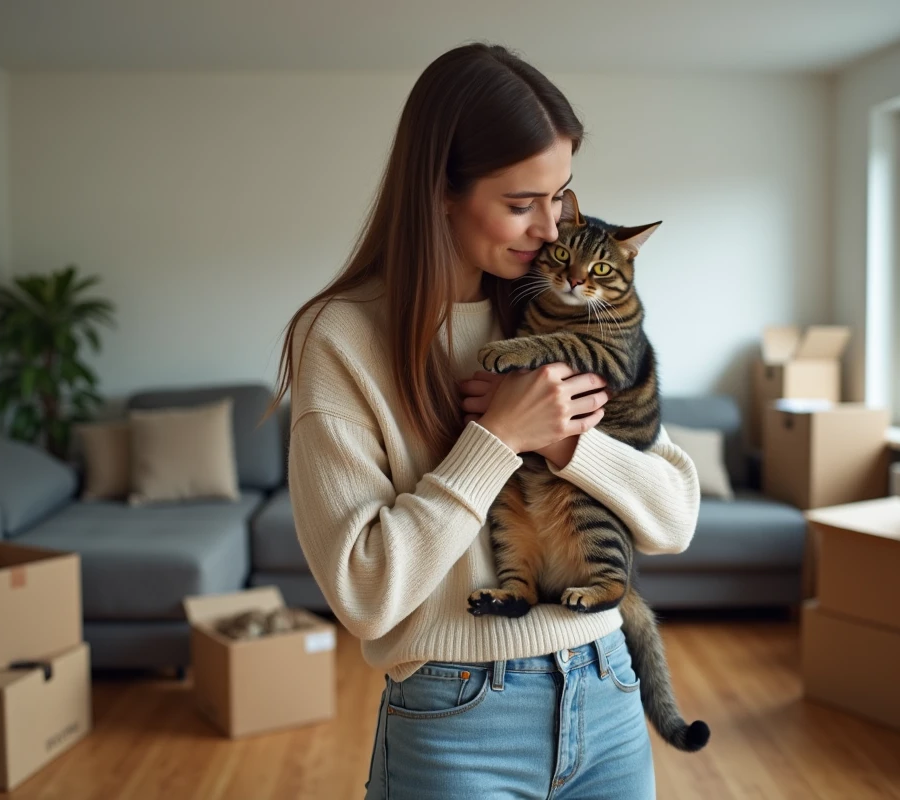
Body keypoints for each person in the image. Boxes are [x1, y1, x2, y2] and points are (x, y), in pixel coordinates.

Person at [270, 43, 700, 800]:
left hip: (609, 690)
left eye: (559, 195)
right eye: (519, 202)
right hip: (457, 719)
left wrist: (569, 442)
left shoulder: (563, 315)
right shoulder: (341, 338)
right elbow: (365, 594)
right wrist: (495, 440)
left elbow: (673, 519)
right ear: (440, 189)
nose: (549, 231)